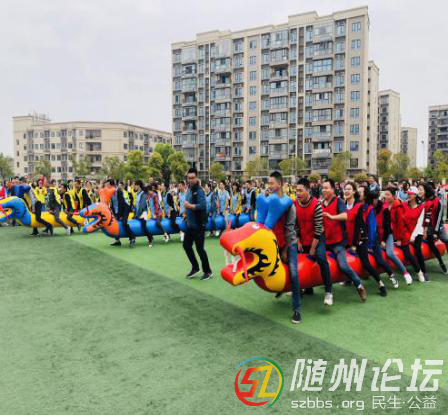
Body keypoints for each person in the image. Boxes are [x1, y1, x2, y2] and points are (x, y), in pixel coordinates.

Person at [325, 184, 388, 296]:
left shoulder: (358, 206)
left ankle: (381, 284)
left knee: (365, 263)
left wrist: (354, 244)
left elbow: (359, 226)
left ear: (354, 192)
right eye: (345, 189)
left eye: (349, 189)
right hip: (346, 239)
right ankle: (346, 279)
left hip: (359, 239)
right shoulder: (343, 205)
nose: (346, 191)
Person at [321, 179, 368, 302]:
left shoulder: (339, 201)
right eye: (323, 188)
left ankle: (359, 285)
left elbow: (345, 216)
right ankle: (305, 288)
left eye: (326, 188)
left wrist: (332, 217)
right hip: (325, 241)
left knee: (342, 265)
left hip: (338, 241)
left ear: (332, 189)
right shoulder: (321, 203)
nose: (324, 190)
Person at [294, 177, 333, 306]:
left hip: (317, 238)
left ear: (308, 191)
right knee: (295, 258)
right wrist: (298, 241)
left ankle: (328, 292)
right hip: (303, 238)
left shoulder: (316, 205)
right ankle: (306, 288)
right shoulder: (295, 204)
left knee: (321, 258)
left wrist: (312, 248)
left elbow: (319, 228)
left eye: (300, 191)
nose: (298, 193)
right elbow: (295, 225)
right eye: (296, 190)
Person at [269, 172, 301, 323]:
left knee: (293, 273)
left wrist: (286, 250)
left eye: (272, 183)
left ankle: (297, 310)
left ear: (280, 184)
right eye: (268, 183)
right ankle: (281, 288)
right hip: (274, 243)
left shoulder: (289, 204)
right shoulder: (269, 201)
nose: (269, 186)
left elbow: (290, 229)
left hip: (289, 243)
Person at [183, 167, 212, 281]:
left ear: (197, 177)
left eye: (192, 178)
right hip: (190, 224)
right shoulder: (189, 189)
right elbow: (187, 204)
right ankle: (195, 267)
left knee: (200, 249)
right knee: (186, 245)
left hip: (199, 225)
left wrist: (189, 206)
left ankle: (208, 271)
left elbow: (203, 206)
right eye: (189, 178)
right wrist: (186, 213)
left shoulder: (199, 191)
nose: (190, 180)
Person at [382, 187, 416, 284]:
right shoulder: (384, 205)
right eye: (385, 194)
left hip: (392, 233)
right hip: (382, 232)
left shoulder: (398, 206)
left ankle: (405, 273)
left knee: (390, 253)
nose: (385, 196)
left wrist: (399, 239)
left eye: (388, 194)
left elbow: (400, 224)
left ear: (393, 196)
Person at [419, 183, 448, 274]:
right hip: (428, 226)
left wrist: (436, 231)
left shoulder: (437, 201)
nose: (419, 191)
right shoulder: (422, 200)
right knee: (431, 244)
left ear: (426, 190)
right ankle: (441, 262)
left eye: (421, 189)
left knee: (446, 239)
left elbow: (439, 217)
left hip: (438, 225)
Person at [404, 186, 427, 281]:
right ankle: (417, 270)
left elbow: (419, 224)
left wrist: (412, 236)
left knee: (417, 250)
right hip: (406, 231)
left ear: (415, 195)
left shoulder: (421, 207)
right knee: (406, 251)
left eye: (411, 194)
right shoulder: (404, 205)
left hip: (417, 232)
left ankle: (423, 271)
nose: (409, 195)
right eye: (408, 194)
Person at [110, 181, 135, 247]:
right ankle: (117, 241)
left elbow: (122, 204)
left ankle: (132, 237)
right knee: (115, 224)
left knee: (124, 222)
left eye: (108, 185)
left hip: (125, 210)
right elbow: (112, 204)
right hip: (117, 211)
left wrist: (120, 215)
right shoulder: (111, 193)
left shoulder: (119, 191)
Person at [133, 180, 152, 246]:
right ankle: (133, 239)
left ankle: (150, 239)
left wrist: (138, 214)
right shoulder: (137, 194)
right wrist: (135, 213)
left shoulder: (143, 194)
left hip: (143, 213)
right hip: (138, 213)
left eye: (135, 185)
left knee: (144, 226)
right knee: (133, 225)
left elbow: (142, 205)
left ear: (138, 186)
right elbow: (137, 205)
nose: (134, 186)